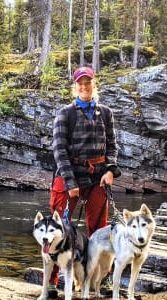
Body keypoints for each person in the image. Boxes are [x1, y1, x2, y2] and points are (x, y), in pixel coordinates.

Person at [49, 66, 121, 296]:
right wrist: (70, 183)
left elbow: (112, 146)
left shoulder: (106, 113)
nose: (84, 86)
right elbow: (59, 151)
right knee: (57, 229)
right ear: (75, 86)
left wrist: (110, 170)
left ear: (94, 84)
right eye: (80, 83)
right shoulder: (65, 114)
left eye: (88, 82)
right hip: (69, 175)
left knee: (100, 232)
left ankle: (99, 281)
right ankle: (51, 281)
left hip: (98, 178)